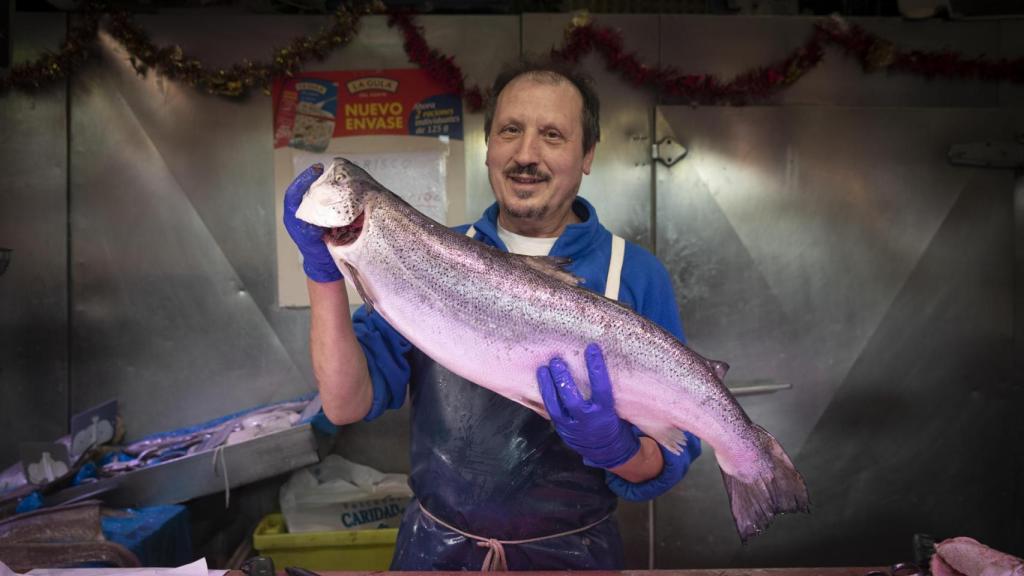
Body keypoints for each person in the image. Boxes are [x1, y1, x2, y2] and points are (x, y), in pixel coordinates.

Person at [283, 57, 701, 570]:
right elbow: (345, 404)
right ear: (489, 147)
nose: (527, 154)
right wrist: (325, 272)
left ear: (588, 154)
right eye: (510, 130)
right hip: (434, 553)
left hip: (574, 557)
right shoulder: (426, 257)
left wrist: (619, 451)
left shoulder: (633, 273)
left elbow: (671, 453)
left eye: (552, 135)